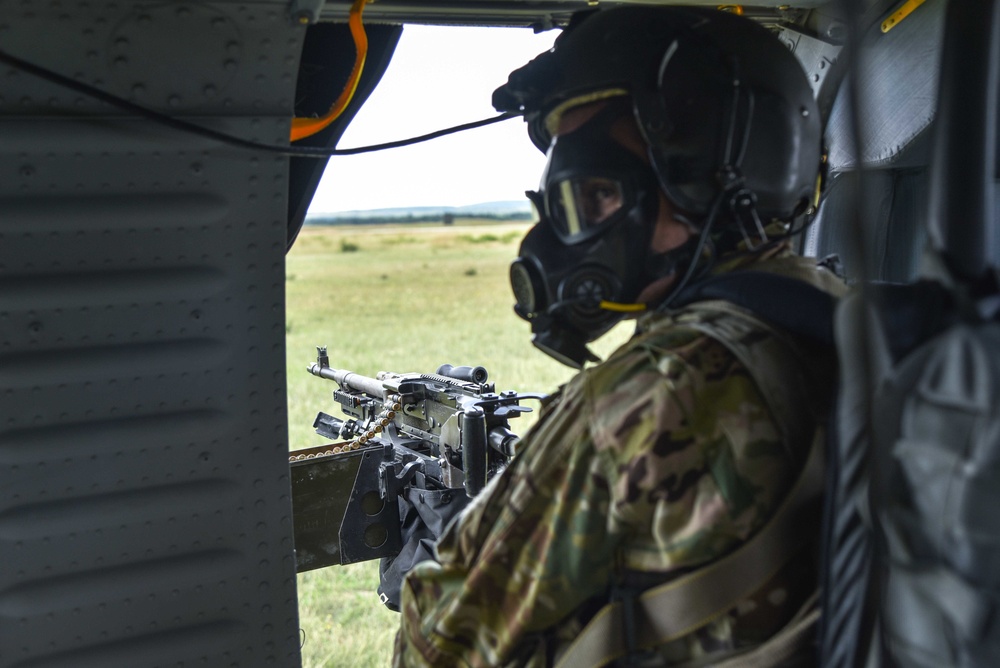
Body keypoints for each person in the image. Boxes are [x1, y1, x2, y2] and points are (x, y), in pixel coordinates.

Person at [393, 6, 846, 667]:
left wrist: (435, 554)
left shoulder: (652, 391)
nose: (568, 236)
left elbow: (443, 648)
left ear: (703, 176)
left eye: (597, 194)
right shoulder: (840, 316)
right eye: (564, 204)